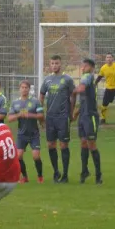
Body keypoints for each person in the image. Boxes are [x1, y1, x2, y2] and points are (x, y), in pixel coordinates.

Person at [39, 55, 76, 183]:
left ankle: (65, 175)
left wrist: (71, 113)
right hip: (50, 117)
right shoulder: (47, 80)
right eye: (52, 63)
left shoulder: (67, 79)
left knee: (63, 144)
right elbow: (42, 95)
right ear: (50, 65)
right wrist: (41, 112)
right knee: (50, 144)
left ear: (61, 64)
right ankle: (56, 172)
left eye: (56, 63)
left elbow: (73, 96)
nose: (54, 65)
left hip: (63, 117)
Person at [8, 80, 44, 184]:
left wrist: (30, 115)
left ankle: (40, 176)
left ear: (29, 89)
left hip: (34, 134)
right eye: (22, 87)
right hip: (21, 134)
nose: (24, 89)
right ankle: (25, 177)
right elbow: (9, 118)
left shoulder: (35, 101)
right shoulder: (15, 103)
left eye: (26, 87)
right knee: (18, 156)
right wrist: (19, 115)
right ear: (19, 89)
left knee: (36, 156)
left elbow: (41, 115)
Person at [72, 58, 102, 184]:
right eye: (82, 66)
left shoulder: (88, 77)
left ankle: (98, 175)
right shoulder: (85, 79)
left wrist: (71, 91)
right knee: (83, 143)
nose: (82, 68)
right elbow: (83, 100)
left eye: (85, 66)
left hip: (90, 116)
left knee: (91, 144)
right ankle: (84, 171)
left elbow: (81, 89)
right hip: (83, 116)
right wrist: (76, 114)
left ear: (91, 68)